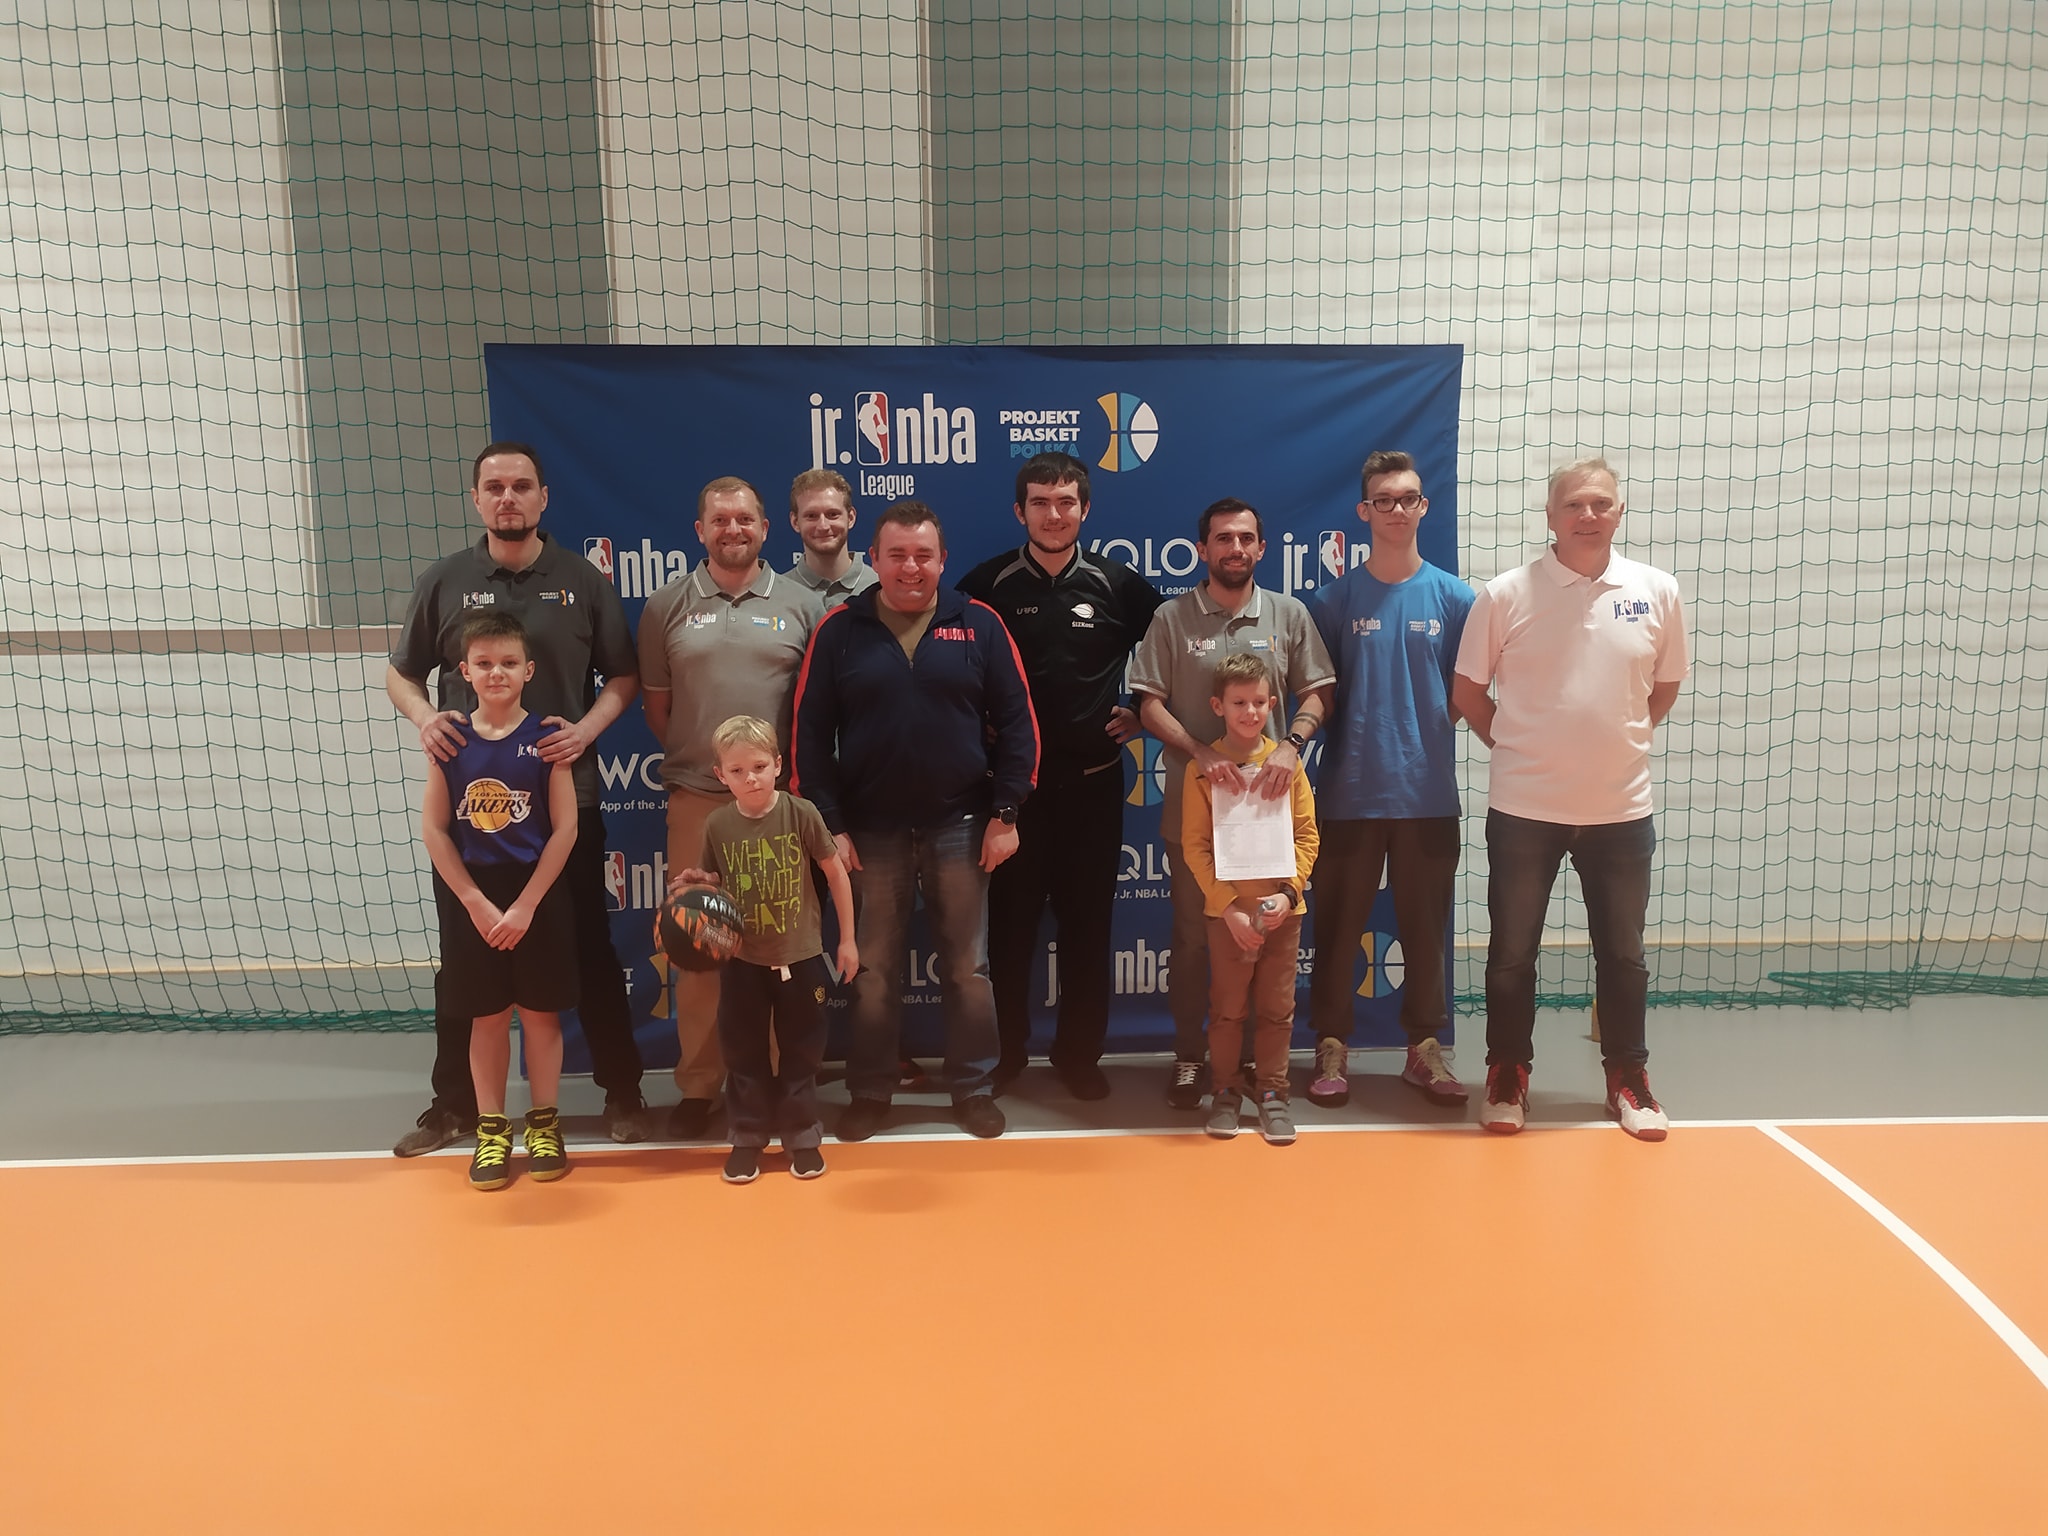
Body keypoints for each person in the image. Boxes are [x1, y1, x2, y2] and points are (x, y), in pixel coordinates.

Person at [387, 442, 647, 1156]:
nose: (509, 498)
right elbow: (401, 674)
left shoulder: (582, 581)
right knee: (465, 960)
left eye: (522, 486)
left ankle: (623, 1091)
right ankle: (454, 1107)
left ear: (542, 498)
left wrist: (585, 731)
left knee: (590, 948)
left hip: (565, 806)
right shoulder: (444, 580)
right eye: (495, 487)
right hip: (472, 816)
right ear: (477, 498)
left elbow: (624, 677)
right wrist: (425, 718)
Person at [1451, 457, 1690, 1140]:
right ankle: (1507, 1074)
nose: (1589, 515)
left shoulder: (1658, 590)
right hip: (1524, 809)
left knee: (1624, 956)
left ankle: (1629, 1079)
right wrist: (1520, 748)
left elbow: (1664, 687)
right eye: (1575, 505)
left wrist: (1616, 742)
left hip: (1621, 810)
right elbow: (1468, 691)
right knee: (1511, 954)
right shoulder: (1504, 594)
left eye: (1601, 504)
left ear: (1619, 512)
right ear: (1551, 515)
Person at [791, 500, 1039, 1142]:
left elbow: (1019, 723)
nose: (910, 567)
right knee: (872, 972)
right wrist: (831, 824)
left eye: (923, 555)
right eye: (896, 555)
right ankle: (871, 1088)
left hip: (962, 824)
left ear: (942, 560)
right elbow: (808, 737)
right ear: (873, 559)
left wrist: (1006, 812)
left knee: (968, 970)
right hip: (869, 831)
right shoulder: (840, 629)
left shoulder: (979, 623)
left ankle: (973, 1086)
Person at [955, 451, 1163, 1099]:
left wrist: (1143, 711)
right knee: (1010, 932)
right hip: (1012, 793)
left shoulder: (1118, 585)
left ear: (1085, 509)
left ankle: (1079, 1057)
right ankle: (1006, 1055)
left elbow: (1174, 651)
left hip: (1095, 787)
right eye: (1040, 503)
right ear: (1020, 511)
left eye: (1066, 502)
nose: (1054, 514)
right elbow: (949, 669)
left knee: (1087, 928)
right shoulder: (985, 585)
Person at [1129, 498, 1335, 1109]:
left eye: (1246, 538)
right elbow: (1147, 704)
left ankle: (1250, 1064)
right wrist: (1199, 752)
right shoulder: (1171, 617)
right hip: (1197, 817)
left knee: (1263, 939)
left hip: (1268, 820)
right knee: (1197, 940)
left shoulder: (1289, 614)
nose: (1235, 548)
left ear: (1261, 548)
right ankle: (1192, 1057)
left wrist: (1291, 746)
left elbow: (1318, 692)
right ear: (1203, 549)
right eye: (1223, 538)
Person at [638, 477, 826, 1139]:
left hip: (778, 810)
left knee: (777, 950)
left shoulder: (802, 604)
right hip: (698, 800)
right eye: (720, 520)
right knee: (700, 948)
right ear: (700, 531)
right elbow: (658, 709)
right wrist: (713, 770)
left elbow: (813, 708)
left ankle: (775, 1083)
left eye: (745, 519)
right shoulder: (666, 606)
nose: (733, 529)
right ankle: (699, 1085)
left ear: (766, 528)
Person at [1304, 450, 1475, 1109]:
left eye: (1407, 498)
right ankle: (1331, 1045)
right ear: (1364, 511)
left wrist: (1423, 725)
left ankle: (1423, 1049)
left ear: (1423, 506)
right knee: (1337, 928)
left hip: (1427, 794)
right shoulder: (1333, 600)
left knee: (1426, 931)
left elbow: (1463, 692)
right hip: (1348, 793)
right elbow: (1320, 694)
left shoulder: (1458, 598)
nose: (1397, 509)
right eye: (1384, 499)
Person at [418, 612, 580, 1189]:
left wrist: (527, 905)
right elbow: (435, 829)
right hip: (475, 895)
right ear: (464, 671)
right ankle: (492, 1130)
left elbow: (565, 829)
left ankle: (545, 1124)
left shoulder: (546, 740)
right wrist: (474, 902)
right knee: (486, 1017)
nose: (496, 673)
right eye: (484, 663)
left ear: (528, 670)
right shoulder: (451, 743)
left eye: (508, 663)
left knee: (539, 1014)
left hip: (535, 893)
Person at [671, 716, 859, 1184]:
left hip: (802, 956)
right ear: (721, 775)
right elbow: (712, 882)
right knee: (744, 1054)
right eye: (737, 771)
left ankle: (802, 1136)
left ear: (777, 764)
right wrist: (696, 886)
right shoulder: (717, 824)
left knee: (802, 1054)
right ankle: (748, 1136)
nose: (750, 778)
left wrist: (847, 939)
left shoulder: (801, 813)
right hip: (743, 961)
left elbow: (836, 873)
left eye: (758, 767)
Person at [1181, 653, 1320, 1145]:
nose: (1250, 712)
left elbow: (1307, 836)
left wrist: (1288, 893)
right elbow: (1195, 847)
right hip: (1230, 917)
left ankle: (1273, 1093)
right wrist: (1229, 907)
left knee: (1278, 1009)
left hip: (1283, 913)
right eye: (1239, 702)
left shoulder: (1287, 765)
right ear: (1218, 706)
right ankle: (1225, 1091)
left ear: (1273, 704)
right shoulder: (1201, 770)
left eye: (1259, 702)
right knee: (1228, 1010)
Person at [786, 468, 880, 603]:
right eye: (811, 516)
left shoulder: (881, 587)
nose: (823, 526)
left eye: (832, 514)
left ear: (851, 518)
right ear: (795, 522)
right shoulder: (778, 594)